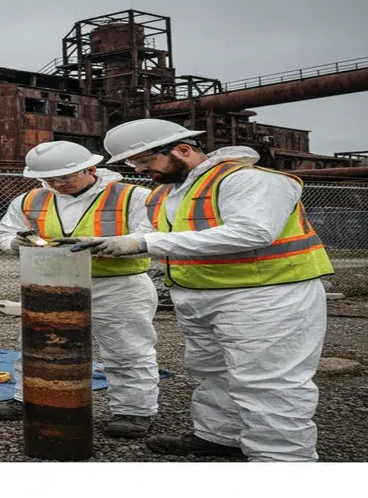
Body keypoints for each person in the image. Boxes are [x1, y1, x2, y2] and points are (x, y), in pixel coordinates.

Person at [58, 118, 333, 462]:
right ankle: (220, 437)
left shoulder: (248, 180)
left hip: (266, 296)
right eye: (134, 164)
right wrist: (110, 243)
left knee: (269, 383)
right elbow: (171, 239)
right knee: (212, 373)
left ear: (183, 150)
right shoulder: (168, 193)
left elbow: (253, 232)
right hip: (201, 294)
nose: (141, 170)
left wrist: (142, 242)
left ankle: (281, 459)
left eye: (145, 161)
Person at [0, 140, 160, 439]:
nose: (57, 184)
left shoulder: (133, 196)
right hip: (53, 283)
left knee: (126, 348)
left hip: (116, 285)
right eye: (49, 179)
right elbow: (5, 233)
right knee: (39, 347)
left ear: (90, 169)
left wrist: (112, 245)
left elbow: (153, 237)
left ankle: (134, 411)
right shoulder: (30, 199)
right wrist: (16, 242)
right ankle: (29, 400)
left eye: (64, 177)